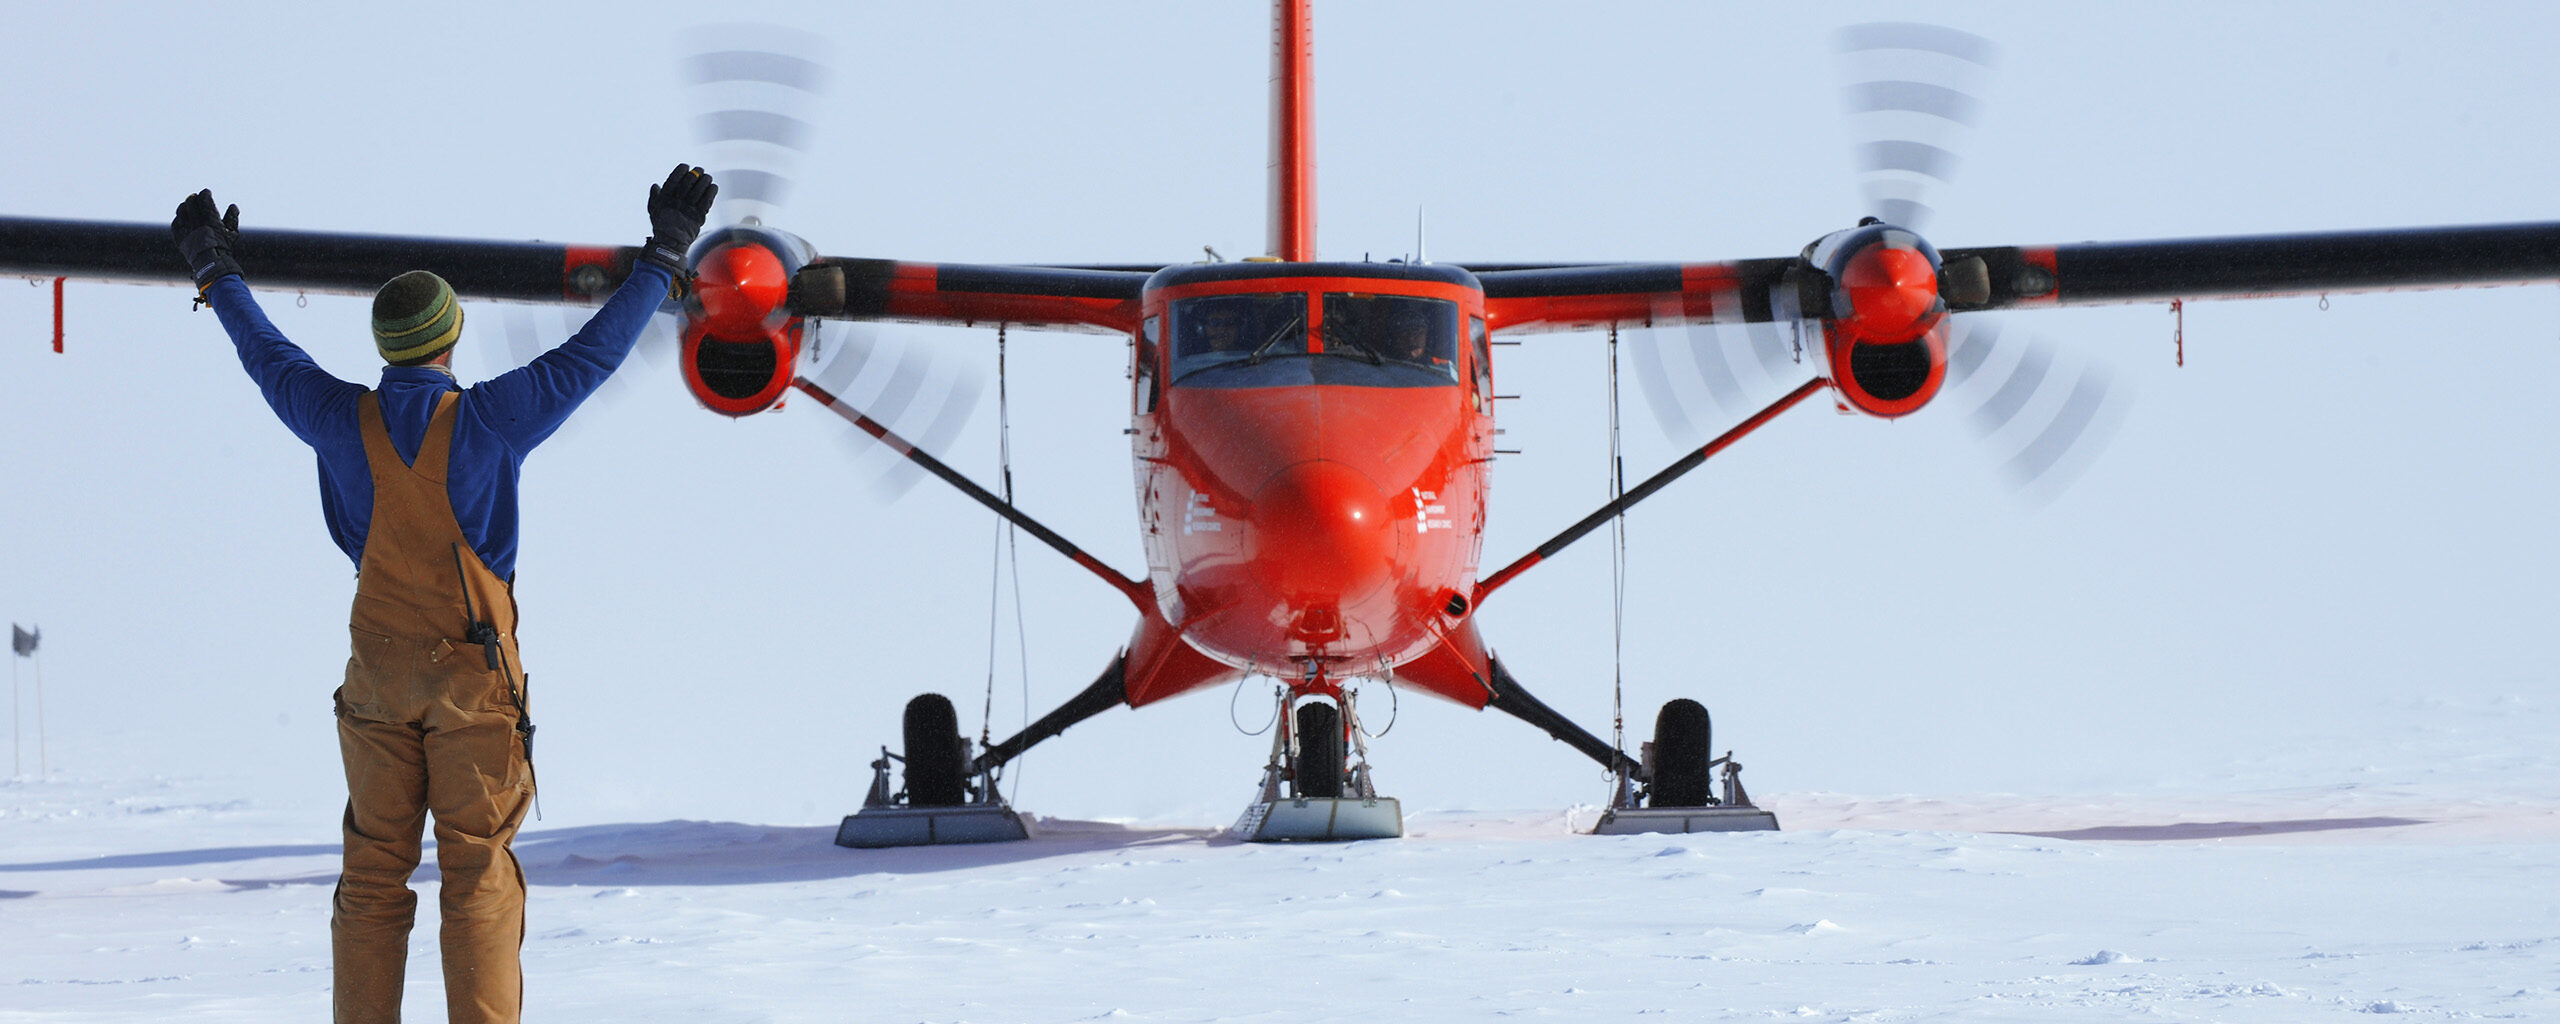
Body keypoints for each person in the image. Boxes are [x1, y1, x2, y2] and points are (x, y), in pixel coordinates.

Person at [169, 164, 717, 1024]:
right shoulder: (495, 418)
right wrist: (664, 256)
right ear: (451, 337)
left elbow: (266, 354)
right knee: (477, 872)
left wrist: (215, 269)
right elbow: (594, 355)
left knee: (374, 875)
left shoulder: (333, 417)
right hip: (473, 687)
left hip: (378, 686)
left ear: (388, 347)